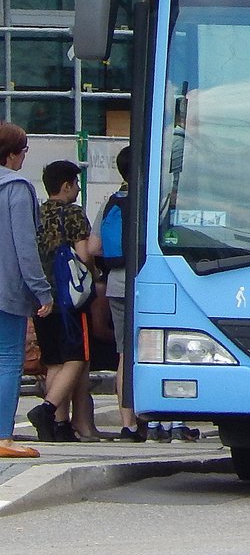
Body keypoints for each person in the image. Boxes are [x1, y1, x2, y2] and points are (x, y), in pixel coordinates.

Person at [28, 160, 101, 442]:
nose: (78, 188)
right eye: (76, 183)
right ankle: (46, 410)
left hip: (41, 295)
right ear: (67, 185)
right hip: (70, 298)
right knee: (77, 358)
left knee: (55, 361)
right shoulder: (73, 214)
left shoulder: (38, 213)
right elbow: (84, 256)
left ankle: (58, 425)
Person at [0, 123, 52, 458]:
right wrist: (41, 291)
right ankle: (3, 436)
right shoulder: (16, 187)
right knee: (6, 360)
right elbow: (24, 247)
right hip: (5, 291)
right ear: (12, 154)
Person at [88, 146, 145, 442]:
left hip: (115, 284)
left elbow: (93, 248)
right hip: (145, 284)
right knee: (149, 351)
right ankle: (161, 420)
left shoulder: (111, 202)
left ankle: (128, 424)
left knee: (124, 354)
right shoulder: (148, 200)